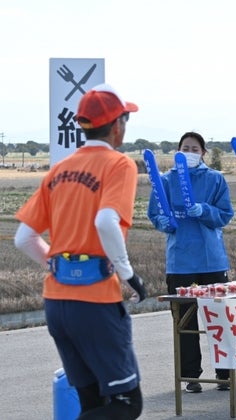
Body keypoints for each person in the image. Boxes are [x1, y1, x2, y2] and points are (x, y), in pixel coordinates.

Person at [14, 84, 145, 419]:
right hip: (97, 301)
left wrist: (59, 266)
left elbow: (24, 238)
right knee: (126, 404)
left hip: (57, 302)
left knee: (92, 403)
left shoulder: (58, 170)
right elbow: (105, 221)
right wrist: (128, 273)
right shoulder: (119, 165)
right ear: (117, 126)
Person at [147, 131, 234, 392]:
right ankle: (191, 376)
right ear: (178, 151)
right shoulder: (165, 180)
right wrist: (163, 222)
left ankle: (224, 374)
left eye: (195, 148)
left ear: (203, 153)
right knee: (185, 321)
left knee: (219, 318)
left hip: (212, 260)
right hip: (180, 261)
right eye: (185, 148)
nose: (190, 152)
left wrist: (205, 210)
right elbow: (155, 212)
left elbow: (225, 214)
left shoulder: (215, 179)